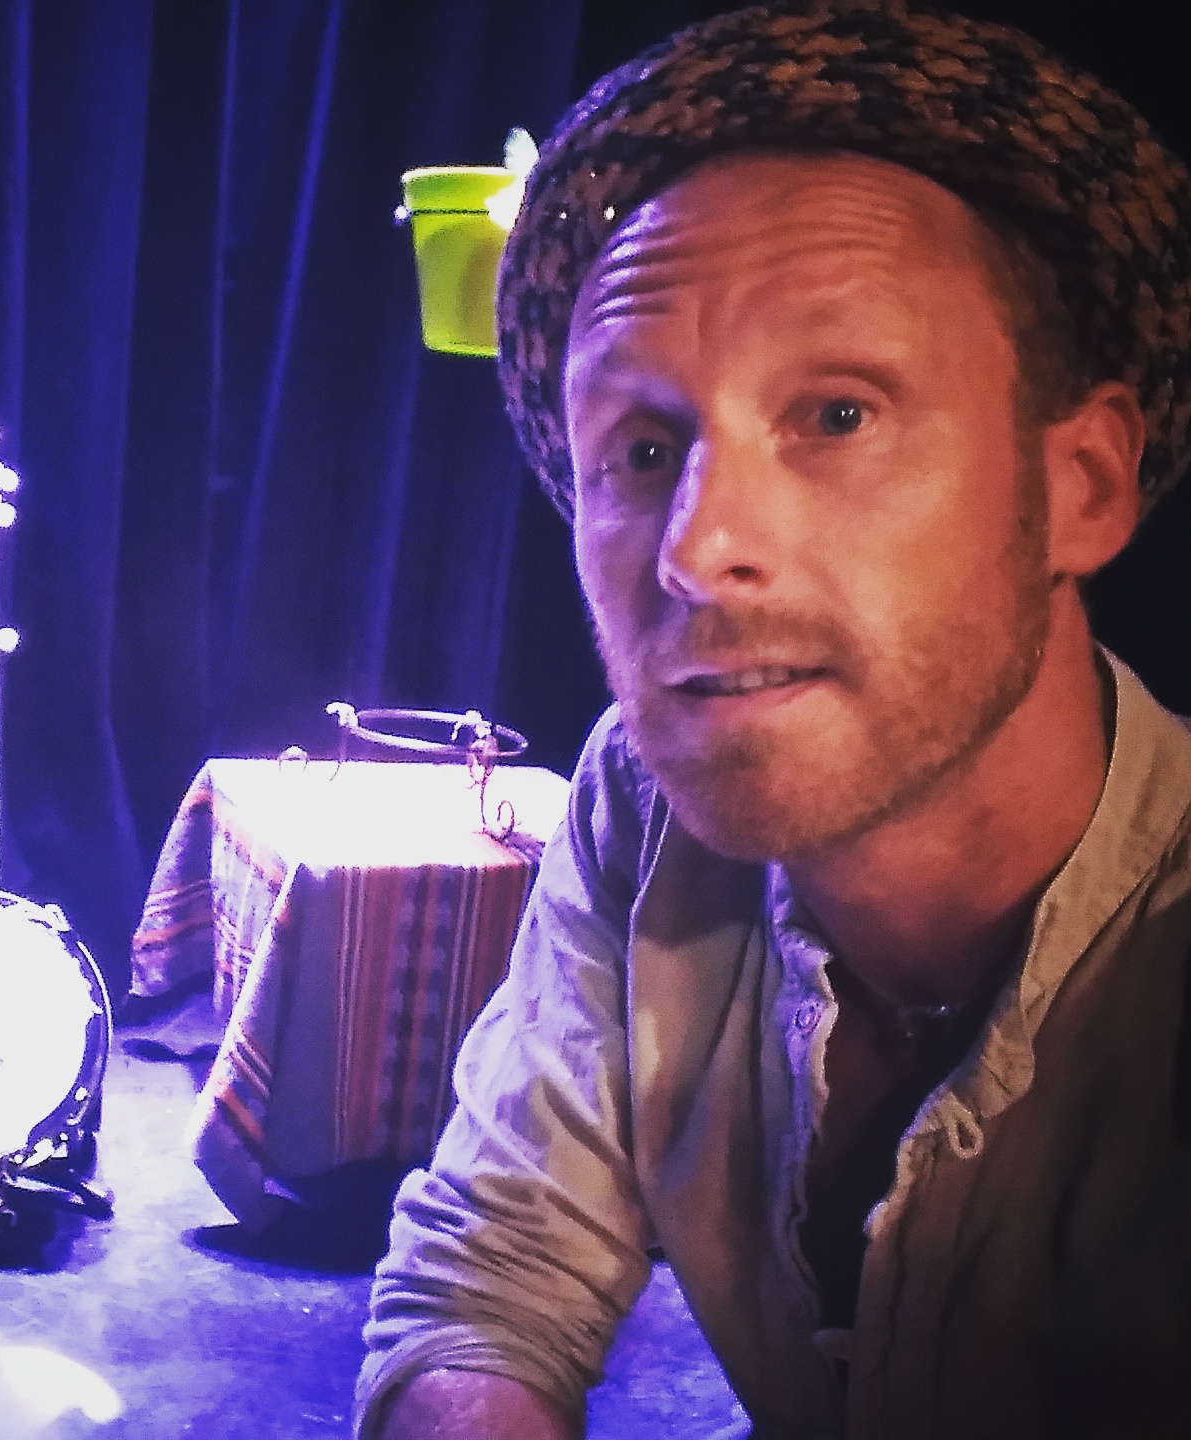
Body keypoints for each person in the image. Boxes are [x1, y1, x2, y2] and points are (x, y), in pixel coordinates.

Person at [355, 2, 1191, 1437]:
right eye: (640, 447)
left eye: (837, 414)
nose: (696, 549)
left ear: (1083, 488)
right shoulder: (641, 802)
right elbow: (494, 1279)